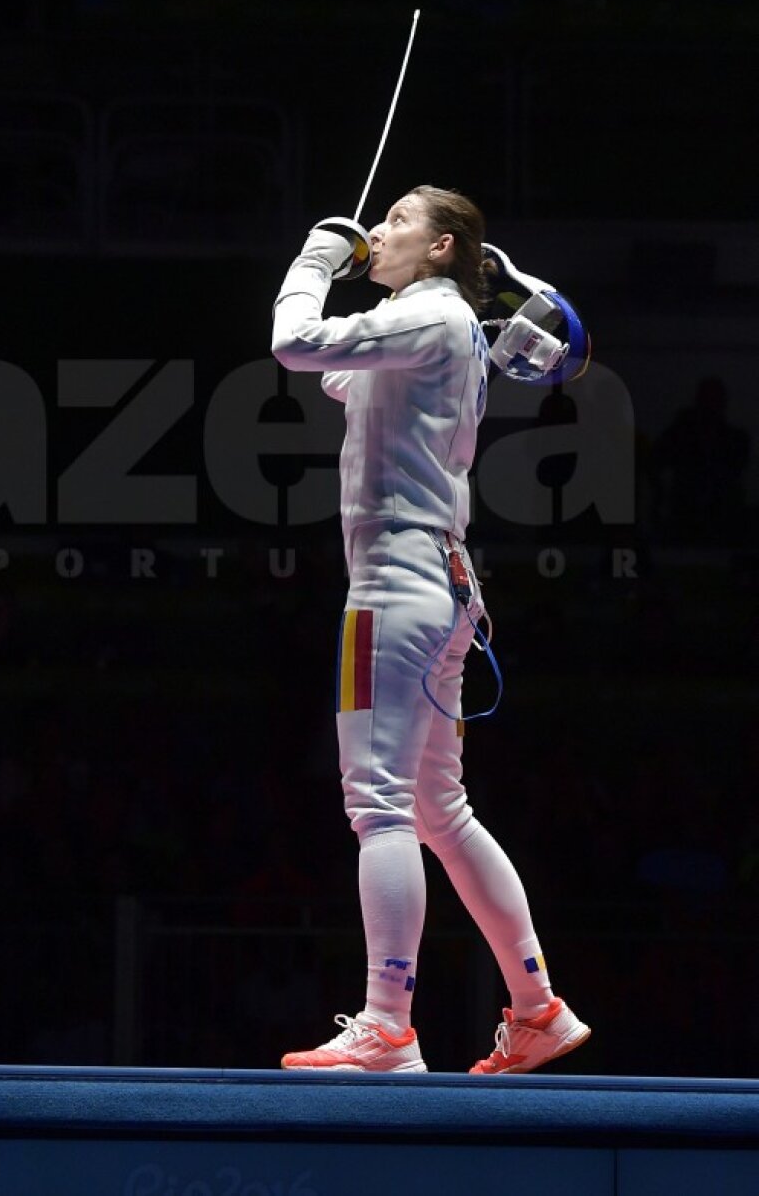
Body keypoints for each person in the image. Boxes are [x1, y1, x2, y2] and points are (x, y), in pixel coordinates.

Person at [269, 185, 589, 1076]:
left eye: (399, 219)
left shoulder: (434, 318)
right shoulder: (435, 328)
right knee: (439, 809)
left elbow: (295, 342)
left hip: (394, 592)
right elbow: (337, 371)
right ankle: (538, 1008)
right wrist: (352, 282)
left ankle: (387, 1024)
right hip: (442, 592)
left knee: (379, 806)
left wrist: (314, 259)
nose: (379, 229)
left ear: (444, 246)